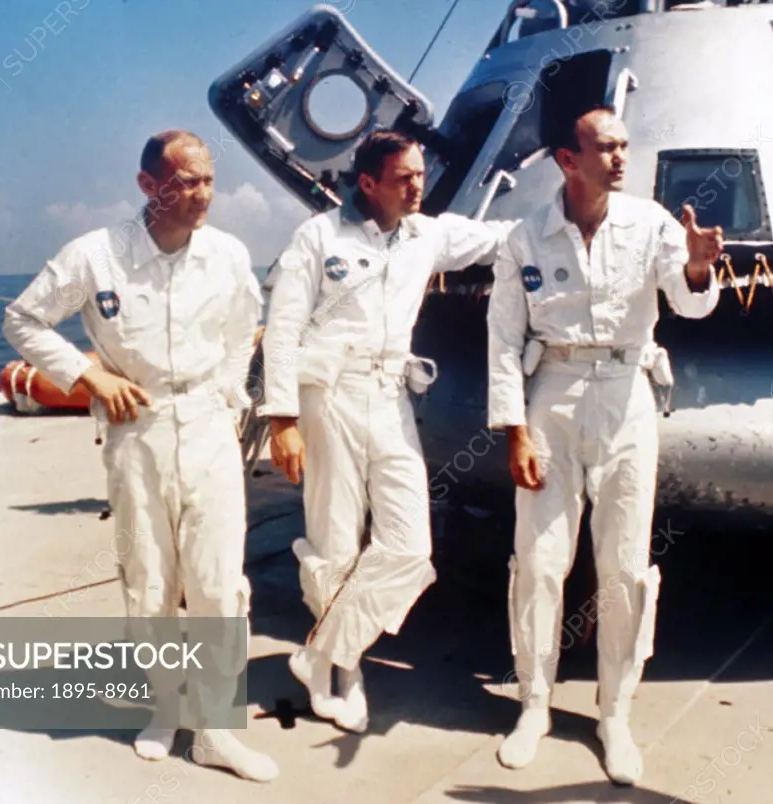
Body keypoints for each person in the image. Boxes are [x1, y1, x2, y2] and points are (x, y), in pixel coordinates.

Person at [3, 130, 278, 783]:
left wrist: (232, 392)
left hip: (209, 427)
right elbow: (23, 320)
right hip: (138, 430)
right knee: (149, 580)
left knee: (216, 583)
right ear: (148, 185)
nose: (202, 194)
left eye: (208, 179)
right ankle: (165, 708)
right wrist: (88, 375)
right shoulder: (96, 256)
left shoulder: (227, 254)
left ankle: (214, 729)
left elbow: (247, 324)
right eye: (185, 182)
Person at [486, 100, 723, 785]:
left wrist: (702, 266)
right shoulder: (525, 236)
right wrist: (514, 429)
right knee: (538, 560)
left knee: (622, 565)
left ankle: (615, 712)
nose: (622, 157)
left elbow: (688, 301)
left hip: (626, 396)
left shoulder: (651, 223)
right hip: (552, 393)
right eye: (606, 147)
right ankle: (534, 703)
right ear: (568, 159)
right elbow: (503, 341)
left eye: (625, 145)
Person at [259, 129, 512, 733]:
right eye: (404, 178)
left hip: (391, 395)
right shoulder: (319, 237)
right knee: (335, 540)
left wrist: (585, 214)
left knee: (408, 548)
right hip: (330, 397)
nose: (418, 186)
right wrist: (282, 420)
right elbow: (282, 328)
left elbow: (507, 238)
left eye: (420, 175)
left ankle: (321, 651)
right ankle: (340, 676)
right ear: (368, 183)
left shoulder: (430, 233)